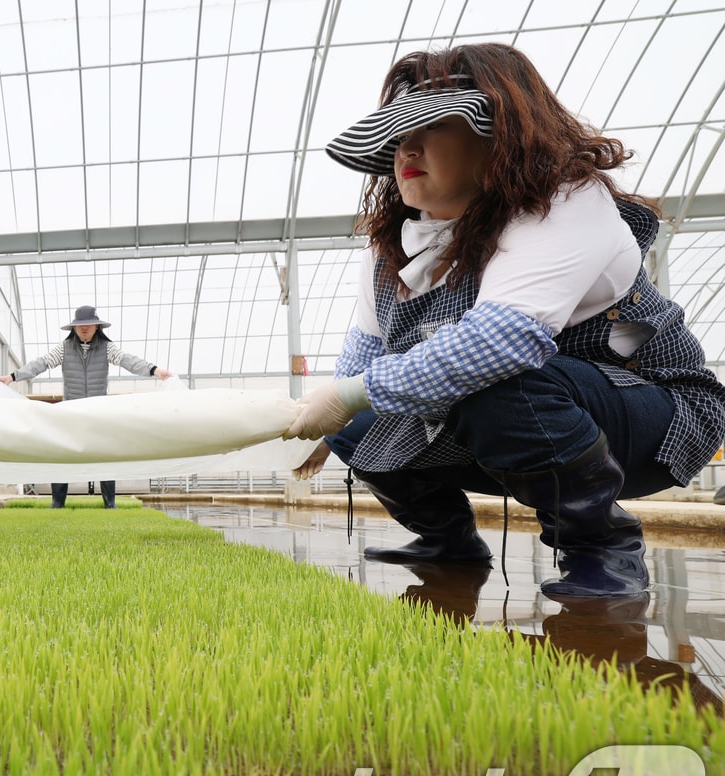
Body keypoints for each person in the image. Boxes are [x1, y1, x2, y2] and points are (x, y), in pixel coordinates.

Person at [285, 43, 725, 598]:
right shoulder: (393, 245)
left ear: (502, 134)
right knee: (354, 420)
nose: (406, 147)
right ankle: (446, 538)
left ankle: (601, 547)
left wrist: (355, 391)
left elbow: (504, 340)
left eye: (431, 126)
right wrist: (332, 415)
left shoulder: (564, 201)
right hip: (523, 418)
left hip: (647, 412)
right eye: (397, 133)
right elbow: (366, 356)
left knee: (490, 380)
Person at [0, 305, 173, 508]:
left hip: (99, 412)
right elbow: (41, 363)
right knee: (62, 455)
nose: (84, 329)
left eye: (89, 325)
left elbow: (127, 360)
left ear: (97, 327)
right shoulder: (64, 348)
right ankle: (57, 503)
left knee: (104, 455)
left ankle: (110, 504)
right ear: (74, 328)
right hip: (70, 412)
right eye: (80, 326)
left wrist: (154, 370)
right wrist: (12, 377)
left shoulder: (107, 348)